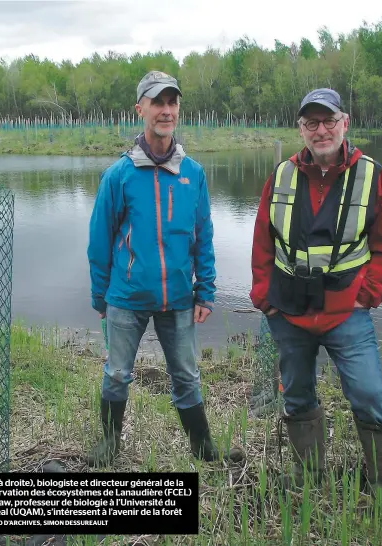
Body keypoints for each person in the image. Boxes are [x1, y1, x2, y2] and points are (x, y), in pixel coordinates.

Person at [250, 88, 382, 522]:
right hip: (289, 313)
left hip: (347, 314)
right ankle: (309, 474)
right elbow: (263, 243)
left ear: (345, 123)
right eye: (311, 123)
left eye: (328, 121)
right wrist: (264, 299)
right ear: (300, 129)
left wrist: (366, 295)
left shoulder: (372, 176)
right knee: (297, 393)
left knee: (368, 392)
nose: (320, 130)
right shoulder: (280, 175)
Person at [87, 70, 244, 467]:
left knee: (187, 377)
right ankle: (110, 445)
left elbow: (203, 235)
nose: (166, 110)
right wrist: (100, 296)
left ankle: (203, 448)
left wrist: (205, 290)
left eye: (172, 102)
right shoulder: (119, 175)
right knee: (118, 373)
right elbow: (100, 241)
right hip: (125, 296)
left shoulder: (193, 173)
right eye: (157, 102)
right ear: (140, 108)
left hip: (177, 297)